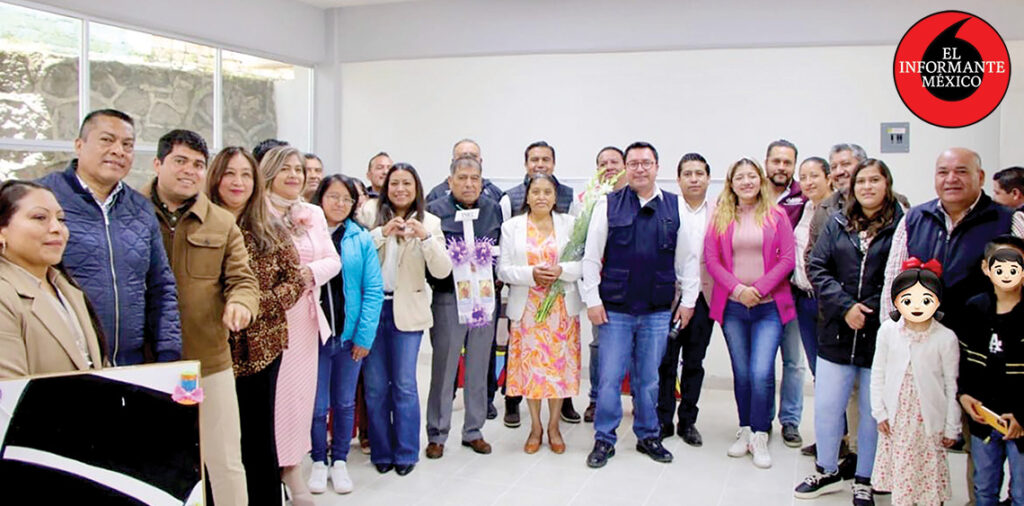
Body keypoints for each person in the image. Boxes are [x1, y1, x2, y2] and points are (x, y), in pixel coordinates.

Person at [147, 130, 261, 506]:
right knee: (155, 460)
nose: (189, 171)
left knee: (225, 461)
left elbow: (243, 279)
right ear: (158, 163)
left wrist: (241, 303)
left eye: (198, 164)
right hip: (143, 362)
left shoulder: (221, 222)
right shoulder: (130, 213)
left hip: (208, 360)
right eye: (180, 161)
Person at [581, 141, 699, 468]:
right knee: (609, 377)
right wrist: (592, 300)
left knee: (648, 378)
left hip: (656, 310)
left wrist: (688, 302)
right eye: (633, 163)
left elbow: (688, 259)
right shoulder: (607, 205)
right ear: (625, 169)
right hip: (615, 309)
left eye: (646, 163)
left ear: (657, 167)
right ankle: (604, 438)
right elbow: (591, 257)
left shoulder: (675, 207)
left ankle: (648, 435)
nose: (640, 169)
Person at [37, 108, 181, 366]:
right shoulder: (42, 198)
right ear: (79, 145)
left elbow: (161, 285)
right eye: (107, 140)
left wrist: (168, 352)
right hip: (62, 361)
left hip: (129, 361)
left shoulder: (140, 208)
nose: (118, 151)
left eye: (127, 145)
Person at [798, 159, 904, 505]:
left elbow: (901, 275)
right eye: (862, 182)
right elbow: (817, 266)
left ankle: (865, 479)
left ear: (887, 184)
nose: (867, 187)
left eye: (875, 180)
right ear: (852, 188)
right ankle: (827, 470)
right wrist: (845, 307)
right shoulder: (837, 221)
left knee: (873, 412)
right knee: (828, 406)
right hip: (836, 329)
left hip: (879, 332)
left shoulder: (902, 225)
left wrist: (867, 310)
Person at [207, 146, 305, 504]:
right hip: (211, 347)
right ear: (215, 178)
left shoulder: (269, 227)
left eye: (246, 175)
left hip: (263, 348)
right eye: (230, 173)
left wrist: (253, 306)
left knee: (258, 433)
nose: (238, 182)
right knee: (217, 436)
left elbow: (295, 281)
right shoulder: (199, 224)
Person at [263, 145, 341, 505]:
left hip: (305, 318)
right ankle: (270, 466)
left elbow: (332, 261)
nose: (295, 175)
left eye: (299, 169)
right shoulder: (256, 210)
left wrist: (305, 274)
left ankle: (292, 465)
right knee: (273, 397)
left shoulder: (312, 212)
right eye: (286, 169)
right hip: (269, 320)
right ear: (269, 172)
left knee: (299, 399)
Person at [705, 157, 795, 469]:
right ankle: (745, 428)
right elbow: (712, 260)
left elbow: (787, 260)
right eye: (739, 177)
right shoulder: (721, 215)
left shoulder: (776, 215)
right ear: (731, 183)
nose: (746, 182)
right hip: (733, 307)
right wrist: (738, 289)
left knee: (760, 371)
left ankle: (760, 433)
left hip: (768, 308)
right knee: (742, 373)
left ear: (760, 180)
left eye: (751, 176)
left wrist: (758, 289)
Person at [362, 163, 451, 471]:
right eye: (394, 183)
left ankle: (406, 452)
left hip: (408, 311)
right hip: (373, 310)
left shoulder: (431, 221)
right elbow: (355, 256)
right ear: (386, 188)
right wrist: (381, 233)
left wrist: (425, 238)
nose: (400, 189)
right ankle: (381, 452)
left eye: (407, 184)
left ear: (417, 189)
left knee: (404, 384)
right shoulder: (369, 213)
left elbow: (442, 270)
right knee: (375, 386)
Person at [306, 174, 383, 492]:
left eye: (346, 199)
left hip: (349, 337)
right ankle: (317, 460)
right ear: (320, 198)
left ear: (354, 203)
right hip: (313, 337)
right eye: (333, 196)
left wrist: (364, 337)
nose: (339, 203)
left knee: (345, 402)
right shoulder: (305, 233)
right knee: (316, 405)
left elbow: (373, 290)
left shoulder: (360, 238)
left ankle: (339, 460)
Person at [498, 174, 583, 454]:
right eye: (536, 192)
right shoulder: (512, 227)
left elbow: (583, 264)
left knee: (558, 372)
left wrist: (562, 270)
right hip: (528, 311)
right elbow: (503, 270)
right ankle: (535, 427)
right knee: (531, 372)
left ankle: (554, 426)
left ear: (556, 197)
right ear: (527, 195)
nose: (541, 197)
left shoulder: (571, 224)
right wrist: (531, 274)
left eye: (547, 192)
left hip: (561, 310)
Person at [425, 156, 502, 457]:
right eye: (462, 178)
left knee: (479, 365)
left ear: (481, 181)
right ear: (450, 181)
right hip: (448, 297)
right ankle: (437, 433)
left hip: (484, 298)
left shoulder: (493, 209)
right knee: (444, 366)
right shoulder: (435, 211)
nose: (469, 184)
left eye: (474, 178)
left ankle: (473, 430)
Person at [871, 259, 961, 505]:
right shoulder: (888, 331)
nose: (917, 306)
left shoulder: (945, 338)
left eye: (926, 300)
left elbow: (951, 385)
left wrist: (952, 426)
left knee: (928, 481)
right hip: (897, 419)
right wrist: (880, 412)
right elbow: (878, 373)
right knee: (902, 480)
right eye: (908, 300)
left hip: (929, 422)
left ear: (937, 301)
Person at [0, 180, 105, 378]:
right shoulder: (5, 296)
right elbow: (10, 388)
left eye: (61, 219)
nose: (57, 228)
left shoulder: (68, 288)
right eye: (40, 217)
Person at [657, 152, 716, 447]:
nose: (694, 179)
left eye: (699, 173)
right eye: (687, 174)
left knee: (694, 362)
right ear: (678, 179)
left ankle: (688, 421)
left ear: (708, 178)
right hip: (669, 297)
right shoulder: (668, 209)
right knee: (665, 362)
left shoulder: (719, 212)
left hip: (705, 298)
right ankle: (663, 419)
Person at [960, 239, 1024, 506]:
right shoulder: (976, 308)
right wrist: (964, 396)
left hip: (1020, 423)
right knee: (984, 489)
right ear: (986, 268)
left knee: (1021, 493)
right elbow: (963, 363)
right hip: (983, 419)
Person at [764, 139, 809, 448]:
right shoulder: (753, 193)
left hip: (792, 292)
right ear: (766, 162)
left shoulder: (803, 197)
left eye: (787, 162)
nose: (781, 167)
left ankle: (790, 421)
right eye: (776, 161)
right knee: (763, 360)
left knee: (793, 361)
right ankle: (762, 418)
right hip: (761, 292)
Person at [583, 146, 627, 423]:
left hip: (633, 286)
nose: (609, 167)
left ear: (625, 166)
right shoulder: (588, 201)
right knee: (600, 344)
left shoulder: (636, 197)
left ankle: (638, 399)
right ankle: (595, 398)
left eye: (614, 162)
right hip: (601, 286)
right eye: (603, 163)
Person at [791, 157, 831, 376]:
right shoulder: (805, 208)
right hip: (803, 299)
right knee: (815, 367)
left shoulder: (837, 211)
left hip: (826, 299)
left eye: (814, 176)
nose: (808, 182)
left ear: (828, 178)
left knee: (831, 367)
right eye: (803, 177)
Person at [425, 139, 504, 204]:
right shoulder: (437, 194)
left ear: (480, 161)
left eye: (473, 156)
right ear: (453, 161)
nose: (468, 160)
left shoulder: (493, 193)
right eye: (462, 156)